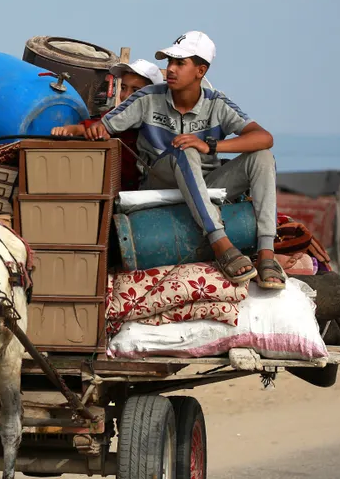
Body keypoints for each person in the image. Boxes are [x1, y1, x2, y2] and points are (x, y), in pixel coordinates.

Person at [85, 31, 284, 288]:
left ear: (200, 71)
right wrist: (86, 130)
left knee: (263, 157)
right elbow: (105, 126)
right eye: (169, 62)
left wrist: (211, 146)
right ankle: (221, 244)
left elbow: (264, 137)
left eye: (180, 63)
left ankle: (267, 254)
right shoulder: (148, 98)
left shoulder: (217, 103)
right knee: (185, 148)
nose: (171, 69)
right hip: (159, 182)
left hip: (206, 182)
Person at [51, 58, 163, 190]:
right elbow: (92, 126)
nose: (126, 95)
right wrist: (71, 130)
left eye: (136, 91)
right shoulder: (114, 116)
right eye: (123, 88)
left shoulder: (158, 125)